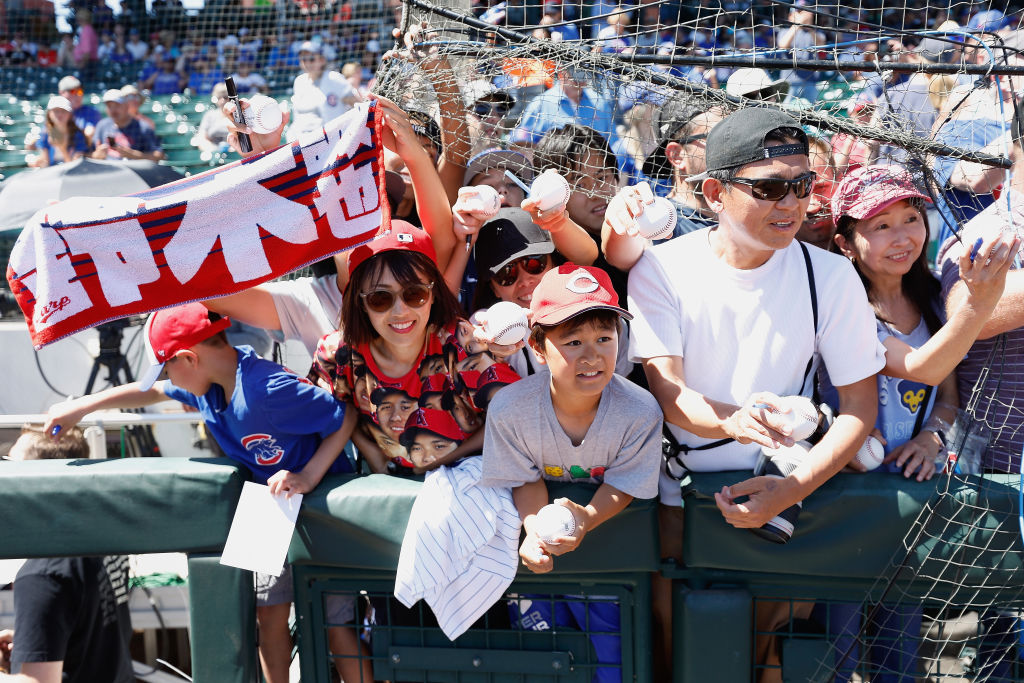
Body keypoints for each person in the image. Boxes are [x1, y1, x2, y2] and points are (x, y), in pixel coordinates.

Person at [626, 107, 886, 682]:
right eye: (769, 187)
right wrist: (737, 422)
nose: (791, 204)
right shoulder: (661, 269)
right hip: (680, 501)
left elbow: (860, 410)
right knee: (679, 654)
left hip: (786, 500)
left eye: (802, 185)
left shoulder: (831, 275)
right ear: (715, 191)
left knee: (764, 658)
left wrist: (792, 487)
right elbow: (672, 397)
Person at [42, 303, 367, 683]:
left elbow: (345, 415)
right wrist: (80, 407)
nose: (168, 380)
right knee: (267, 618)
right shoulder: (207, 387)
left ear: (189, 358)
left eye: (167, 369)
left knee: (335, 625)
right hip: (266, 504)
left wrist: (308, 475)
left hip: (320, 504)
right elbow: (148, 393)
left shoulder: (268, 388)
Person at [821, 164, 1018, 682]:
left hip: (909, 496)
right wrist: (977, 304)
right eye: (880, 225)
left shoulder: (930, 298)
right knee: (835, 642)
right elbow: (921, 366)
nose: (902, 236)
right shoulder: (843, 305)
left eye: (911, 218)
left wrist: (932, 438)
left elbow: (946, 394)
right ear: (846, 242)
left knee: (901, 644)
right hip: (844, 495)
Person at [479, 263, 662, 683]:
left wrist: (588, 518)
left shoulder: (640, 411)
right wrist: (532, 529)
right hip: (539, 563)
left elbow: (624, 484)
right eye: (573, 341)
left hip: (609, 566)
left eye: (604, 337)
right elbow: (524, 477)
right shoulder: (510, 408)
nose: (592, 355)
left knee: (613, 659)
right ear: (539, 349)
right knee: (544, 658)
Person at [308, 225, 519, 475]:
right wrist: (371, 452)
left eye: (414, 294)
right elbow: (338, 409)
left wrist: (440, 464)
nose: (400, 311)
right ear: (360, 302)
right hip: (386, 481)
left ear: (434, 294)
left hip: (468, 474)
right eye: (380, 298)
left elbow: (512, 416)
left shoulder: (463, 346)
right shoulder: (336, 354)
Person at [2, 427, 134, 683]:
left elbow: (39, 682)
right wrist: (32, 641)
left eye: (8, 465)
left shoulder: (41, 574)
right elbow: (90, 628)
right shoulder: (102, 537)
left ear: (35, 482)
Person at [603, 95, 724, 272]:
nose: (731, 146)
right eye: (717, 137)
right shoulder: (656, 220)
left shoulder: (747, 205)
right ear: (676, 155)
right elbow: (620, 258)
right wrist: (618, 213)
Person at [286, 41, 362, 143]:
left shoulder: (334, 78)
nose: (307, 63)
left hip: (330, 143)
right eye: (303, 59)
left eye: (312, 59)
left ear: (322, 60)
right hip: (301, 142)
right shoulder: (299, 81)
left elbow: (357, 103)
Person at [92, 89, 164, 162]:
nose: (113, 110)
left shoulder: (143, 127)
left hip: (134, 170)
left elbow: (159, 156)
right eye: (109, 106)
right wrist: (97, 155)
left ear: (126, 107)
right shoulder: (102, 125)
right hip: (108, 170)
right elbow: (90, 154)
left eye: (117, 105)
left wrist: (133, 155)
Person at [30, 96, 91, 168]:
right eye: (56, 111)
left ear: (70, 115)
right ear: (49, 114)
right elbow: (46, 164)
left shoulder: (78, 135)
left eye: (63, 111)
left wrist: (62, 148)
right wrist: (38, 162)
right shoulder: (45, 133)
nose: (60, 114)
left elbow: (75, 167)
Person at [57, 76, 100, 143]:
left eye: (80, 91)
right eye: (73, 91)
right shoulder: (54, 113)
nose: (78, 95)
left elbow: (90, 134)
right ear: (61, 93)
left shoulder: (91, 112)